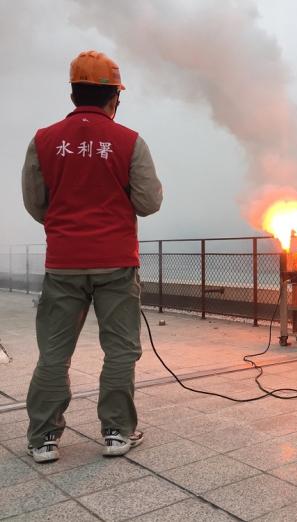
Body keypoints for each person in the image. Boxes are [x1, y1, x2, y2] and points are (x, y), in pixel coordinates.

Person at [21, 50, 163, 463]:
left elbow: (35, 203)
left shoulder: (43, 140)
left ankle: (44, 438)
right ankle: (117, 432)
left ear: (73, 93)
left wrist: (66, 225)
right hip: (116, 263)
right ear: (114, 97)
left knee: (53, 352)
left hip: (63, 262)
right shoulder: (129, 141)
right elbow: (149, 201)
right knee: (120, 350)